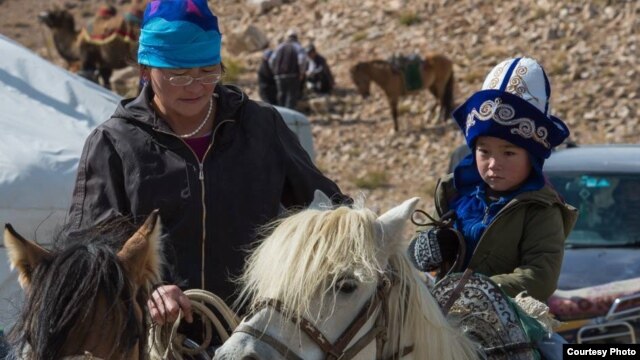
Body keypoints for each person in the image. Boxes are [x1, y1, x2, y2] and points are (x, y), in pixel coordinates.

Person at [65, 0, 349, 342]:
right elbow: (89, 254)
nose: (196, 86)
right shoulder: (113, 143)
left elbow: (329, 208)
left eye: (207, 71)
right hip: (155, 339)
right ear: (145, 70)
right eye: (178, 74)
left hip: (258, 336)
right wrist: (147, 289)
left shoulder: (260, 126)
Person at [408, 57, 578, 303]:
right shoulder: (455, 192)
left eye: (508, 153)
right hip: (441, 319)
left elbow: (540, 277)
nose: (493, 164)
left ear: (532, 157)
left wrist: (471, 290)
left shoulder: (541, 208)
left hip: (509, 329)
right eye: (484, 152)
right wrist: (427, 247)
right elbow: (413, 248)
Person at [269, 29, 307, 109]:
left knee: (281, 95)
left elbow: (271, 60)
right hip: (293, 75)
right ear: (296, 37)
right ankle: (289, 116)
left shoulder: (279, 47)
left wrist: (274, 71)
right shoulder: (298, 47)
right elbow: (302, 60)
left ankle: (280, 115)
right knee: (291, 96)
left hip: (279, 76)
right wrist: (302, 73)